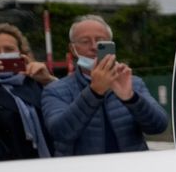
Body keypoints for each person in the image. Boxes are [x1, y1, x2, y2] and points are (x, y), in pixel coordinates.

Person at [41, 15, 168, 156]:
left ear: (111, 44)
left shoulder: (132, 82)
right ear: (73, 49)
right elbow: (60, 133)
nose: (94, 47)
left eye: (101, 41)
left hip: (130, 170)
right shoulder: (56, 90)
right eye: (85, 41)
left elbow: (159, 126)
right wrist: (94, 92)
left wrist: (131, 99)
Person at [0, 23, 55, 160]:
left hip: (46, 164)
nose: (2, 55)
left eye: (9, 49)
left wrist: (48, 80)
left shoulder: (34, 82)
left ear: (21, 53)